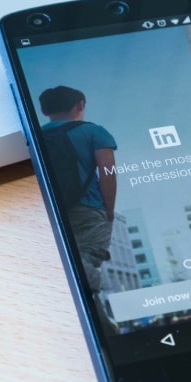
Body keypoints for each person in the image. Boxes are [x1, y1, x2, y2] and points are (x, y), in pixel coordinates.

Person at [39, 86, 117, 299]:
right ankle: (93, 309)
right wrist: (109, 210)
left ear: (45, 110)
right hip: (89, 209)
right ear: (80, 105)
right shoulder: (94, 132)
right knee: (87, 260)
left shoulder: (37, 136)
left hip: (53, 210)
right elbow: (108, 173)